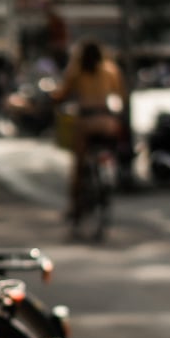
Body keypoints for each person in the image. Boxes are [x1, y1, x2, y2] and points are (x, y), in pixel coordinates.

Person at [51, 41, 126, 219]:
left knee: (78, 164)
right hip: (108, 122)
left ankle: (75, 205)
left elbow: (61, 94)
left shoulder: (76, 70)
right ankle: (109, 176)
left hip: (86, 122)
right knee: (109, 151)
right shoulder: (110, 69)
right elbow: (121, 94)